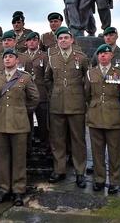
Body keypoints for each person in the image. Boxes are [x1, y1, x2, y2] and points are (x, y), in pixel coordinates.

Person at [0, 49, 39, 206]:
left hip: (19, 124)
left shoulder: (25, 77)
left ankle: (18, 190)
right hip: (0, 123)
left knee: (19, 159)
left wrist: (22, 111)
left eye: (11, 57)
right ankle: (3, 189)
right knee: (2, 159)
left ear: (17, 60)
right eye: (5, 57)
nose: (7, 59)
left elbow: (34, 98)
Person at [45, 27, 89, 188]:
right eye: (60, 38)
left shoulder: (82, 58)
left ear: (72, 40)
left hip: (76, 105)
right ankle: (59, 170)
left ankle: (79, 172)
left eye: (66, 38)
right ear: (57, 42)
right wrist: (54, 93)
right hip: (57, 105)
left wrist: (82, 97)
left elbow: (88, 79)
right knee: (57, 139)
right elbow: (47, 79)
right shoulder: (52, 58)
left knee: (78, 140)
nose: (63, 40)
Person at [85, 44, 120, 194]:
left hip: (114, 118)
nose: (102, 56)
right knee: (97, 152)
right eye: (100, 53)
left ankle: (114, 181)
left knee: (114, 152)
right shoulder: (90, 73)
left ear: (111, 56)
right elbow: (87, 94)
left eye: (106, 53)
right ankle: (99, 179)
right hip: (95, 117)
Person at [25, 32, 49, 147]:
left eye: (34, 40)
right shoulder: (21, 56)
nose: (32, 42)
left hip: (41, 94)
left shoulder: (44, 56)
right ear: (26, 42)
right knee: (27, 123)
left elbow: (48, 76)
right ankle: (28, 146)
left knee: (43, 122)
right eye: (29, 40)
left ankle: (45, 145)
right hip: (26, 95)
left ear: (38, 42)